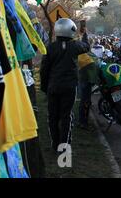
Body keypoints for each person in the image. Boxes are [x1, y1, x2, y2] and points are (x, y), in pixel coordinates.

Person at [40, 19, 90, 151]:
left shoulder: (50, 48)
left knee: (53, 116)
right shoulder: (75, 46)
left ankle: (54, 144)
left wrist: (45, 87)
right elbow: (86, 46)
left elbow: (44, 70)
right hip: (69, 87)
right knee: (66, 115)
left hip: (53, 86)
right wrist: (84, 32)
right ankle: (65, 145)